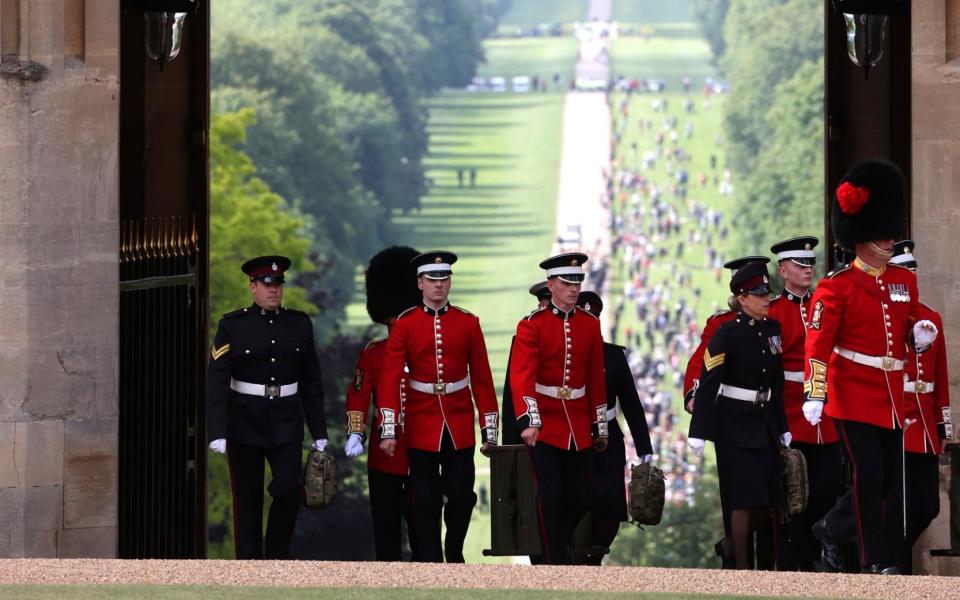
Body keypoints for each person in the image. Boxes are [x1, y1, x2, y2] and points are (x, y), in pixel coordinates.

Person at [803, 158, 938, 575]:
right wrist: (816, 391)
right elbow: (818, 343)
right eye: (882, 236)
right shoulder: (836, 287)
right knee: (869, 478)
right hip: (852, 395)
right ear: (861, 240)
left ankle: (892, 558)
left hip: (892, 397)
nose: (889, 242)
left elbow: (911, 318)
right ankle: (872, 558)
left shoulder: (903, 281)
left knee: (895, 485)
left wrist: (920, 333)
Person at [377, 250, 499, 563]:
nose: (439, 285)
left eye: (444, 278)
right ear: (420, 283)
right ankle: (430, 559)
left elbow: (482, 378)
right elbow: (391, 380)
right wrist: (389, 428)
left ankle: (454, 549)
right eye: (432, 279)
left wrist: (489, 429)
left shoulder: (468, 322)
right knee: (425, 498)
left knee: (461, 494)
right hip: (421, 420)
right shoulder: (406, 324)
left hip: (458, 420)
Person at [206, 255, 328, 559]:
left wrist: (319, 431)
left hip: (286, 419)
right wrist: (217, 430)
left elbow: (311, 382)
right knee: (247, 499)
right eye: (267, 283)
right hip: (243, 421)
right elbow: (217, 381)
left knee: (288, 488)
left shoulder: (299, 324)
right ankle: (248, 565)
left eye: (278, 284)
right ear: (252, 286)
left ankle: (276, 557)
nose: (274, 289)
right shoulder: (232, 325)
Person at [688, 260, 789, 570]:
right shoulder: (726, 333)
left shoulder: (772, 330)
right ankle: (743, 570)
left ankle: (731, 542)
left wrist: (782, 425)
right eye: (759, 295)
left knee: (769, 500)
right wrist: (698, 431)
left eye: (767, 293)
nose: (766, 299)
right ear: (742, 299)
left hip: (765, 422)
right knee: (743, 501)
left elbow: (776, 381)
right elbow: (708, 383)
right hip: (733, 424)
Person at [509, 252, 609, 565]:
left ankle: (548, 549)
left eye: (578, 281)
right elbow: (522, 376)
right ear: (551, 284)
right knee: (550, 494)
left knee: (580, 496)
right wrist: (529, 419)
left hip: (577, 422)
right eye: (567, 282)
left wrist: (599, 425)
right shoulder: (531, 325)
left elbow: (595, 378)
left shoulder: (590, 325)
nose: (574, 288)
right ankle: (554, 563)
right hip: (544, 423)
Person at [767, 237, 843, 571]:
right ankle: (789, 565)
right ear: (784, 271)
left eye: (810, 263)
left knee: (827, 490)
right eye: (800, 265)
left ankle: (820, 559)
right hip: (790, 412)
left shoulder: (824, 304)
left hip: (825, 412)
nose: (808, 269)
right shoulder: (774, 312)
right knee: (792, 493)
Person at [344, 246, 422, 561]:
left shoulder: (427, 350)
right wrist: (356, 432)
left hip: (421, 452)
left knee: (424, 536)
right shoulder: (374, 353)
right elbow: (358, 396)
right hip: (384, 457)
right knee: (386, 536)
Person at [575, 290, 653, 565]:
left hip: (609, 434)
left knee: (609, 504)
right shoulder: (566, 355)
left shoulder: (613, 357)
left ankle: (597, 554)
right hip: (573, 435)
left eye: (594, 317)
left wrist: (645, 449)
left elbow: (631, 404)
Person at [890, 240, 953, 573]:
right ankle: (896, 568)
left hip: (926, 423)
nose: (911, 278)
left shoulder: (931, 316)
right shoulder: (884, 320)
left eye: (913, 271)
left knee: (927, 505)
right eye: (905, 272)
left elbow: (941, 375)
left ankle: (892, 557)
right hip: (895, 419)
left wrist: (945, 426)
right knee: (896, 505)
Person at [683, 256, 769, 414]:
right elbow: (702, 360)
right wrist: (695, 393)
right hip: (735, 411)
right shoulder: (720, 323)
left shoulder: (772, 320)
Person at [502, 281, 553, 446]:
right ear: (540, 306)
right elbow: (513, 390)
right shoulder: (523, 339)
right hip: (534, 425)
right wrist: (510, 440)